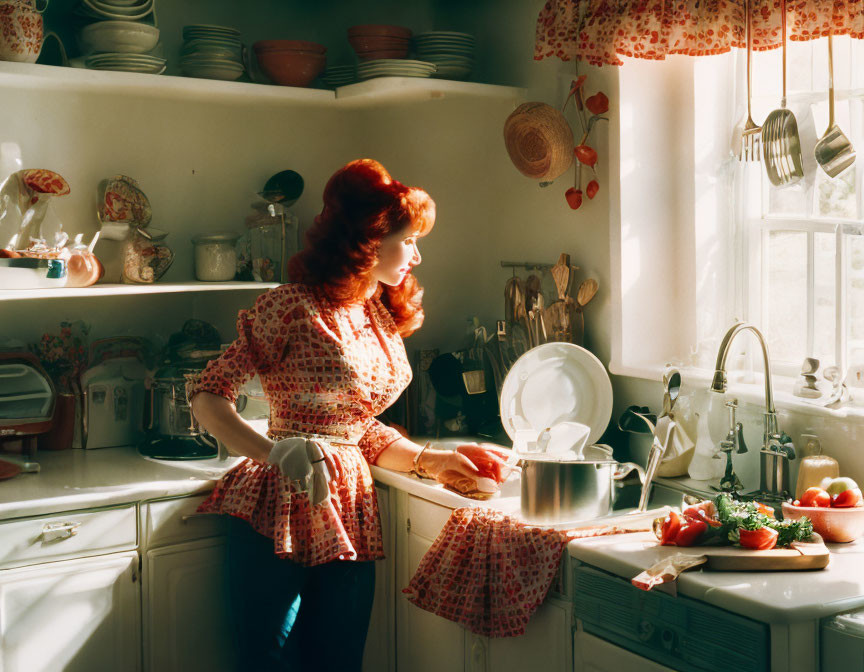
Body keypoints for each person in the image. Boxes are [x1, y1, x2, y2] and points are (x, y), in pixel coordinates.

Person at [188, 158, 498, 671]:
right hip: (277, 506)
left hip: (350, 506)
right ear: (369, 240)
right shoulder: (287, 307)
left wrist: (434, 461)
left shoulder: (377, 313)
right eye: (408, 239)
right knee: (271, 662)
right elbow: (207, 397)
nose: (416, 254)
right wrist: (274, 452)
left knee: (340, 661)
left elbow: (355, 429)